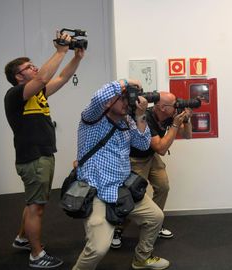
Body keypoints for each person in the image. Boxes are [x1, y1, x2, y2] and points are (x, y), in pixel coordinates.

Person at [4, 30, 84, 268]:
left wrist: (76, 57)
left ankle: (22, 239)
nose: (35, 68)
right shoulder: (15, 94)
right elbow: (42, 79)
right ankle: (36, 255)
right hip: (33, 157)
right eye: (29, 67)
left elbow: (61, 78)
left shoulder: (36, 94)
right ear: (18, 77)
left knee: (33, 202)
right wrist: (60, 50)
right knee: (36, 207)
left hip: (43, 155)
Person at [72, 79, 170, 270]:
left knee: (155, 217)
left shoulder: (127, 121)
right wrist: (126, 82)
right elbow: (99, 96)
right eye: (123, 99)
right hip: (96, 191)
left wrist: (141, 116)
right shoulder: (92, 119)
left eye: (129, 99)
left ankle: (141, 259)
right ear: (110, 100)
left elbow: (142, 144)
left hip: (122, 188)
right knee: (98, 249)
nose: (127, 103)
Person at [112, 91, 192, 248]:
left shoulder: (169, 115)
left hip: (150, 157)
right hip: (135, 159)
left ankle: (155, 223)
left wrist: (187, 119)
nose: (177, 107)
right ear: (162, 107)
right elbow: (161, 148)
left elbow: (187, 135)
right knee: (132, 196)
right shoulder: (146, 118)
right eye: (174, 105)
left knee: (163, 187)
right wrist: (175, 124)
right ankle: (117, 230)